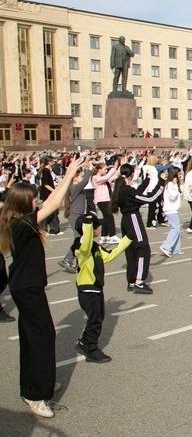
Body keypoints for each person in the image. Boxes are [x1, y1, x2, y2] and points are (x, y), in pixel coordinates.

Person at [0, 156, 86, 418]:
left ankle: (38, 383)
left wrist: (69, 174)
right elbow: (54, 203)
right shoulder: (20, 224)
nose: (37, 202)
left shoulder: (19, 220)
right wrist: (69, 173)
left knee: (33, 337)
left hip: (27, 286)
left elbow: (49, 203)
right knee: (41, 337)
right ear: (23, 203)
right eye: (33, 199)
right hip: (27, 288)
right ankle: (36, 395)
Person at [71, 213, 131, 363]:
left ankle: (85, 341)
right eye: (97, 226)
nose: (100, 229)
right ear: (91, 228)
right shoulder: (79, 246)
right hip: (87, 289)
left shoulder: (95, 246)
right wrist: (88, 224)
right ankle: (90, 348)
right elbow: (85, 249)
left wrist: (127, 239)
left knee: (98, 317)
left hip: (97, 288)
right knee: (95, 318)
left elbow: (109, 256)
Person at [112, 163, 164, 294]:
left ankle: (131, 280)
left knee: (131, 251)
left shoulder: (121, 188)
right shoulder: (127, 190)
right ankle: (139, 281)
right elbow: (150, 198)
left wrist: (147, 180)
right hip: (133, 219)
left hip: (126, 220)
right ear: (131, 175)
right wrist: (161, 183)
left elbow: (136, 194)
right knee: (143, 249)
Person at [58, 163, 92, 274]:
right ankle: (68, 259)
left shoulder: (75, 188)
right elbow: (85, 181)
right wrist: (88, 169)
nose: (82, 177)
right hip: (75, 216)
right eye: (80, 176)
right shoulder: (74, 187)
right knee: (79, 238)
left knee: (81, 238)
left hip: (78, 215)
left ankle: (76, 260)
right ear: (75, 178)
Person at [92, 158, 120, 244]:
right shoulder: (95, 178)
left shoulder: (103, 178)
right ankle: (112, 236)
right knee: (109, 216)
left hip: (107, 199)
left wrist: (120, 168)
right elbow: (107, 177)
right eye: (105, 169)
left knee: (106, 217)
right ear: (99, 170)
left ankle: (104, 236)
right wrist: (114, 167)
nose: (106, 170)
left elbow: (113, 176)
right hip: (101, 200)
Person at [160, 166, 183, 257]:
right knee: (175, 228)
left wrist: (179, 184)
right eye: (179, 174)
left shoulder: (174, 184)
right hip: (170, 210)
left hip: (174, 209)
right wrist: (175, 186)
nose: (180, 175)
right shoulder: (170, 184)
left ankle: (176, 248)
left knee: (177, 229)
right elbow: (172, 196)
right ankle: (166, 246)